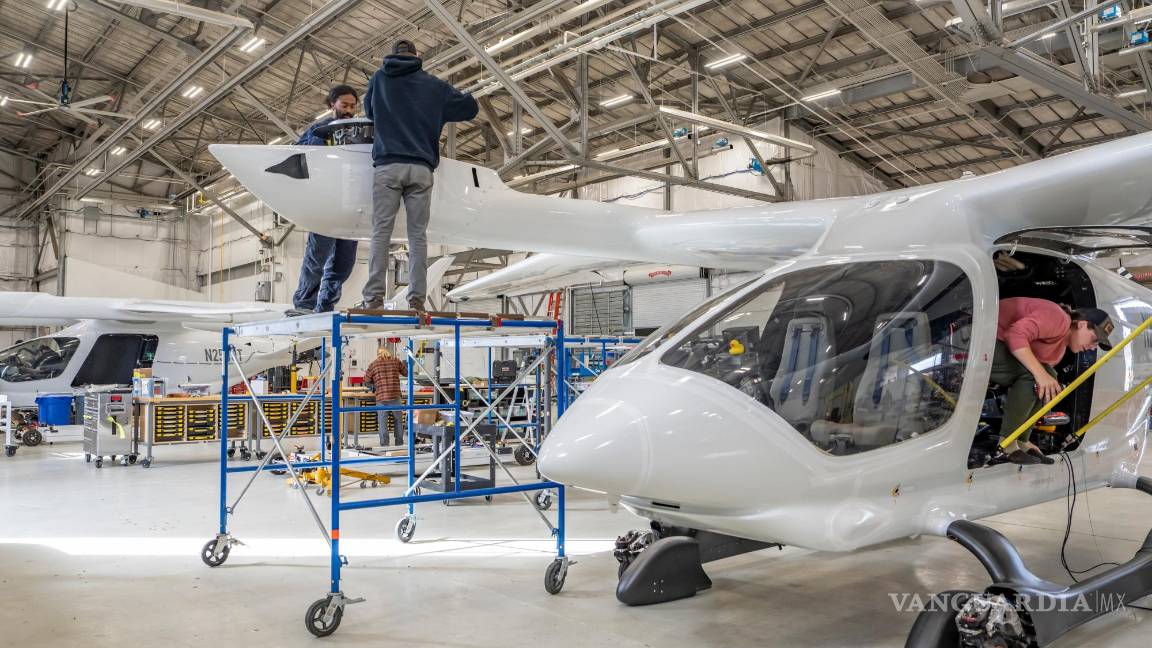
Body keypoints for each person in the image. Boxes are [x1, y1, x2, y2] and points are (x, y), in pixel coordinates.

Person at [356, 39, 479, 311]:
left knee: (381, 233)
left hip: (388, 166)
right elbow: (470, 108)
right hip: (421, 169)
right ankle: (416, 301)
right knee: (417, 236)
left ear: (392, 56)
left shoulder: (379, 79)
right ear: (416, 56)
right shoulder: (434, 85)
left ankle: (373, 299)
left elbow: (370, 112)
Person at [993, 297, 1114, 464]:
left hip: (996, 345)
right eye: (1094, 340)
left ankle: (1021, 440)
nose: (1093, 347)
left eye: (1098, 345)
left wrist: (1043, 376)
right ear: (1081, 324)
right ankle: (1006, 443)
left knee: (1049, 376)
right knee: (1036, 375)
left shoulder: (1058, 351)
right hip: (981, 336)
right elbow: (1014, 333)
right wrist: (1040, 374)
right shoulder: (1059, 318)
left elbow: (1039, 381)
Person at [287, 84, 362, 316]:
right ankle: (304, 304)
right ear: (332, 105)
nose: (349, 110)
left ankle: (326, 306)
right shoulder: (318, 130)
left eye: (352, 106)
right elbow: (298, 155)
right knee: (317, 258)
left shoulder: (359, 131)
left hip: (350, 207)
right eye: (344, 105)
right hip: (326, 203)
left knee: (343, 265)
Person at [364, 345, 408, 447]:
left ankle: (384, 446)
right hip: (395, 396)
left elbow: (366, 380)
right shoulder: (396, 361)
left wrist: (374, 385)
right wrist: (406, 364)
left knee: (383, 423)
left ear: (378, 354)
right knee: (398, 422)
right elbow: (406, 373)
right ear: (388, 352)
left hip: (381, 397)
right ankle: (399, 444)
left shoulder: (374, 364)